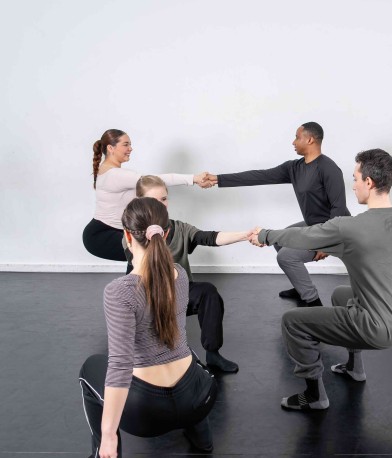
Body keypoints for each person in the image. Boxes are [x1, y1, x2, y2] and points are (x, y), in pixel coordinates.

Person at [250, 149, 392, 411]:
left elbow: (303, 236)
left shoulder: (349, 227)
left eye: (356, 178)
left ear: (369, 182)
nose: (353, 185)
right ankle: (355, 369)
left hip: (375, 328)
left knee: (292, 322)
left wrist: (265, 235)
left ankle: (313, 396)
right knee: (341, 296)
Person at [79, 197, 218, 458]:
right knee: (183, 349)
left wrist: (109, 437)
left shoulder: (120, 291)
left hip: (148, 416)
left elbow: (120, 366)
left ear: (127, 236)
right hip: (200, 398)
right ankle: (202, 437)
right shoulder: (178, 274)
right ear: (166, 234)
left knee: (91, 367)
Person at [207, 122, 350, 307]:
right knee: (279, 240)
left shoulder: (328, 168)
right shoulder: (294, 168)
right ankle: (301, 289)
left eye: (297, 137)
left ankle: (313, 302)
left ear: (310, 139)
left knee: (285, 257)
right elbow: (259, 176)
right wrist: (218, 179)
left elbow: (339, 209)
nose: (293, 142)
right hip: (313, 225)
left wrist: (326, 243)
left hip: (336, 229)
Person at [133, 175, 259, 372]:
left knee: (208, 292)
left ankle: (213, 354)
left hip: (179, 292)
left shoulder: (180, 228)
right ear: (140, 203)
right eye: (154, 201)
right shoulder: (133, 233)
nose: (161, 205)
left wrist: (245, 235)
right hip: (151, 297)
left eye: (164, 199)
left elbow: (210, 238)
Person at [83, 129, 213, 261]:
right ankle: (138, 282)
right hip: (104, 235)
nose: (130, 148)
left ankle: (141, 281)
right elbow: (156, 181)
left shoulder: (108, 170)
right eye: (126, 144)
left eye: (130, 144)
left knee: (145, 254)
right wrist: (194, 178)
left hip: (109, 232)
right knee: (146, 253)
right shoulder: (115, 175)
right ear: (111, 148)